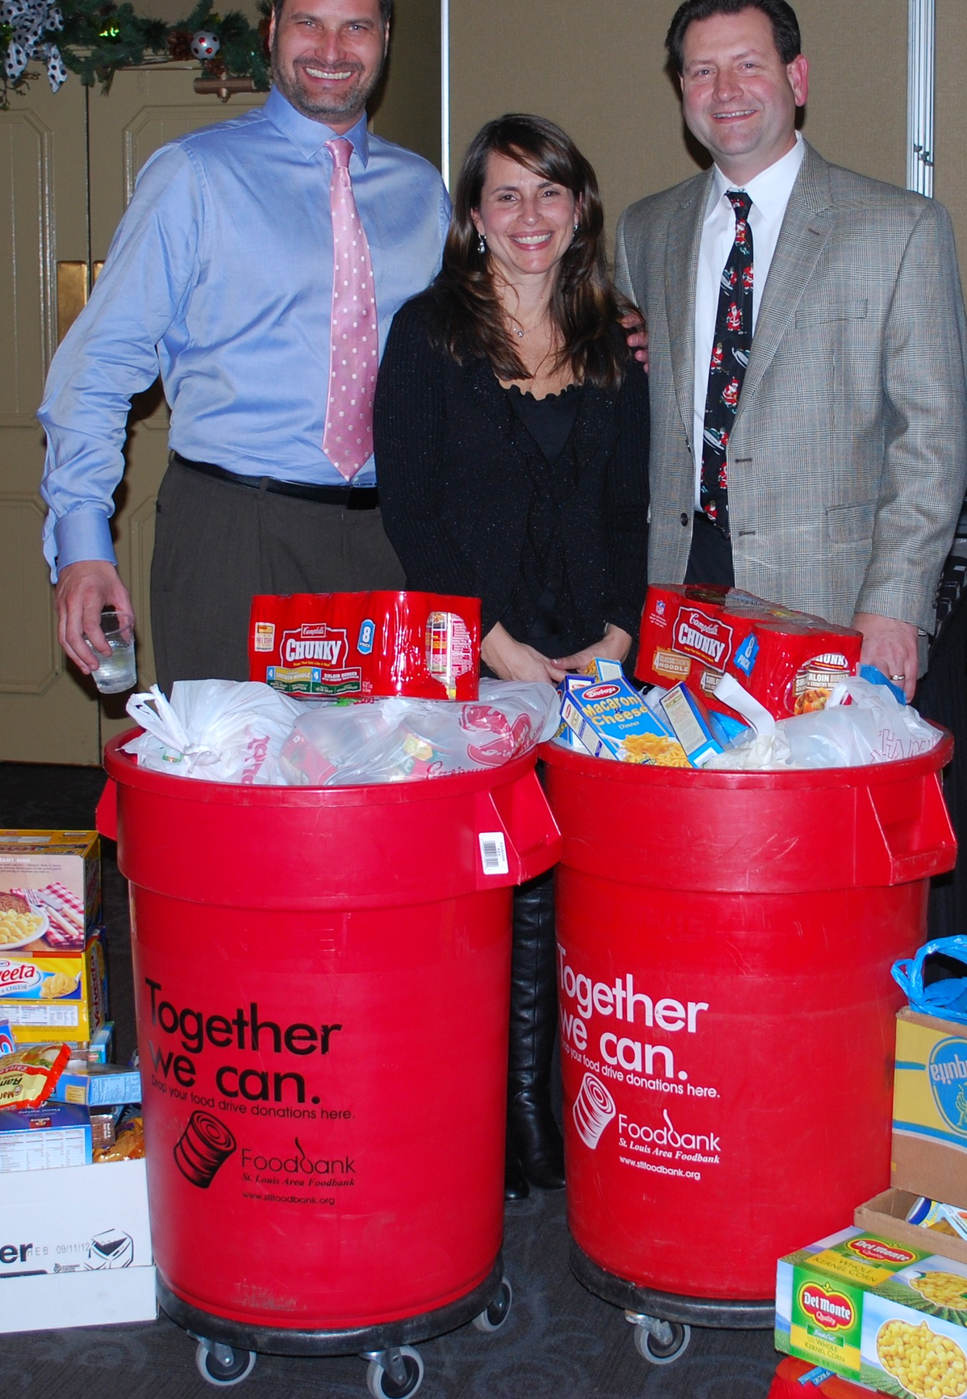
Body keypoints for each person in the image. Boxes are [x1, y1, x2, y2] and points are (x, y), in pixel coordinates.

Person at [38, 0, 451, 683]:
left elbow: (477, 341)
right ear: (272, 29)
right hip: (234, 530)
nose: (332, 47)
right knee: (233, 785)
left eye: (356, 25)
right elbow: (95, 369)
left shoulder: (423, 193)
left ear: (384, 37)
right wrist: (83, 547)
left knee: (382, 781)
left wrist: (608, 332)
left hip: (393, 537)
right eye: (308, 22)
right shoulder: (193, 177)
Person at [376, 114, 649, 1201]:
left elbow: (629, 508)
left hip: (591, 656)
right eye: (505, 196)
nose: (529, 217)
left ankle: (542, 1097)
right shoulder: (428, 335)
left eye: (550, 194)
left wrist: (617, 636)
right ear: (473, 218)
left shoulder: (614, 342)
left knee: (569, 876)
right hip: (476, 658)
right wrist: (496, 645)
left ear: (579, 208)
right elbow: (415, 512)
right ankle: (494, 1104)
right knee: (486, 880)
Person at [613, 0, 967, 697]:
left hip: (832, 602)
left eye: (749, 64)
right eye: (701, 71)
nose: (725, 90)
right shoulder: (643, 230)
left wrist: (895, 606)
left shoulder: (899, 229)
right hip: (679, 597)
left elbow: (931, 438)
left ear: (796, 77)